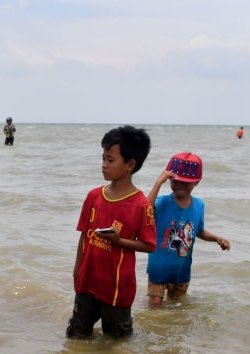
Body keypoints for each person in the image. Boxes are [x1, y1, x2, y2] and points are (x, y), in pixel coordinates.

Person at [67, 126, 156, 339]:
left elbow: (149, 245)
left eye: (110, 160)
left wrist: (119, 241)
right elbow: (84, 236)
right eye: (103, 158)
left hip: (117, 290)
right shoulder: (94, 196)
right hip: (87, 282)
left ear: (130, 165)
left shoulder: (141, 205)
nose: (104, 165)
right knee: (76, 338)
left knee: (116, 344)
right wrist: (77, 272)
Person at [145, 153, 231, 308]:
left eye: (186, 182)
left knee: (178, 307)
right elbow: (145, 211)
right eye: (176, 181)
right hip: (158, 266)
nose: (180, 185)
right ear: (169, 179)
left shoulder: (199, 205)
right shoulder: (163, 202)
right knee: (155, 306)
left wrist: (217, 238)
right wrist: (158, 183)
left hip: (182, 269)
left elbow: (199, 231)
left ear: (196, 182)